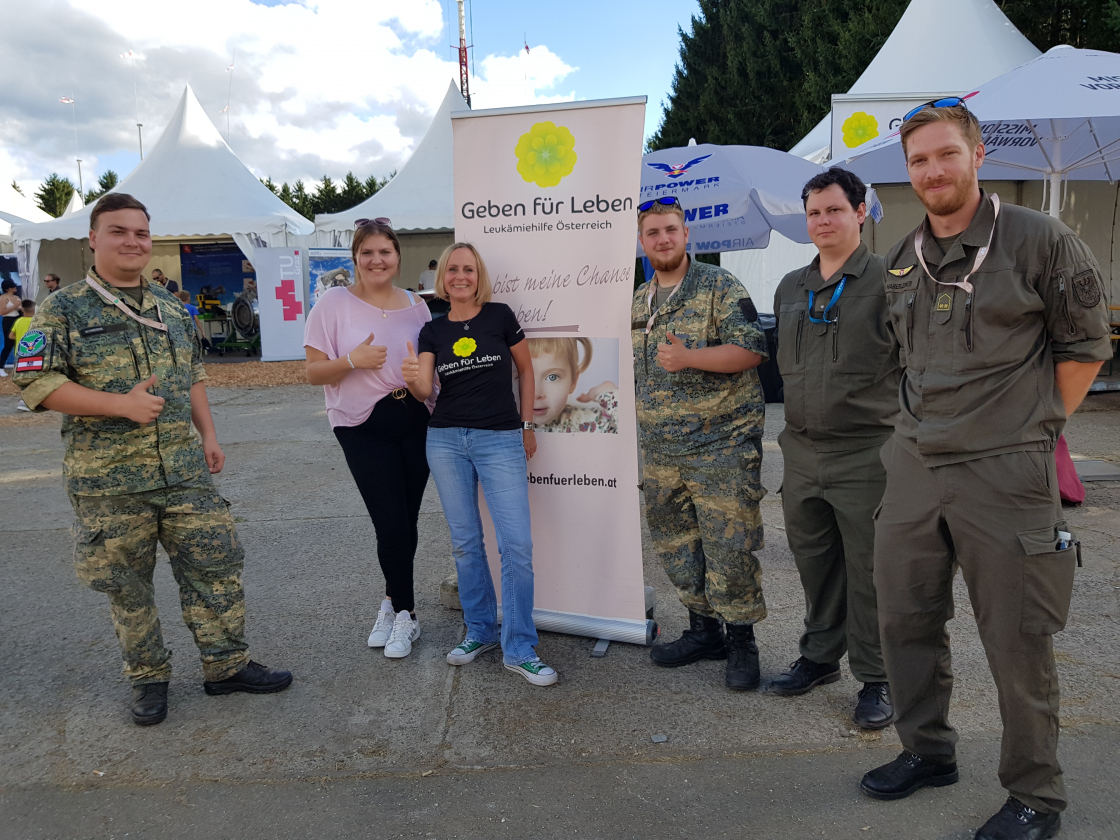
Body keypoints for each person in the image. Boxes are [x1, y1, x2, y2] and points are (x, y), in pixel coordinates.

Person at [859, 101, 1111, 840]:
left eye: (945, 155)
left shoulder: (1038, 239)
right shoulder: (903, 255)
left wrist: (1036, 430)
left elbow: (1086, 347)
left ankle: (1037, 795)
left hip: (1005, 473)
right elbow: (905, 358)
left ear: (976, 156)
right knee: (904, 619)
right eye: (918, 161)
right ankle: (927, 751)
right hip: (912, 468)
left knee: (1016, 637)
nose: (932, 171)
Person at [12, 193, 292, 727]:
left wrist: (208, 434)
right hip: (109, 480)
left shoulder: (169, 308)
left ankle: (225, 665)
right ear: (93, 238)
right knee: (127, 585)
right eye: (119, 232)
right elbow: (36, 383)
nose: (132, 242)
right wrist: (120, 405)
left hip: (183, 470)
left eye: (141, 233)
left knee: (216, 565)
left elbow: (194, 377)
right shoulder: (62, 309)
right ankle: (148, 679)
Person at [770, 168, 897, 729]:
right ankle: (820, 658)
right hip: (800, 452)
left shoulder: (890, 281)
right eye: (814, 213)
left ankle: (878, 676)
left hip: (867, 452)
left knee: (871, 570)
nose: (822, 221)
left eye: (834, 211)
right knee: (815, 563)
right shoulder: (790, 286)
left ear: (861, 212)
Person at [402, 242, 556, 686]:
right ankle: (481, 630)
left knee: (517, 547)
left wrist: (527, 425)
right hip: (446, 440)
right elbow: (425, 391)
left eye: (468, 269)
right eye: (453, 270)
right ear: (443, 278)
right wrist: (413, 379)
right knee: (466, 543)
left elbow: (526, 371)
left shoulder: (500, 316)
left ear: (478, 275)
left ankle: (520, 646)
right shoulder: (432, 330)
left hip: (500, 439)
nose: (460, 276)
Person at [632, 196, 769, 691]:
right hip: (662, 453)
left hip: (720, 449)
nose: (663, 239)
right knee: (678, 548)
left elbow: (753, 350)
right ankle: (702, 631)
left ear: (686, 235)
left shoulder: (718, 286)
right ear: (642, 242)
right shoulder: (639, 297)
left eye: (671, 230)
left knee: (730, 549)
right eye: (653, 233)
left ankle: (741, 642)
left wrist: (691, 357)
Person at [303, 220, 433, 659]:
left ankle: (392, 604)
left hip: (415, 418)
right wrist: (351, 360)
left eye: (385, 252)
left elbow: (428, 369)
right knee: (390, 523)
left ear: (397, 257)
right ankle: (408, 615)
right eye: (368, 253)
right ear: (355, 258)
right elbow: (313, 372)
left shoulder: (418, 306)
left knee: (407, 522)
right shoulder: (332, 304)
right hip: (360, 425)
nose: (377, 260)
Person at [528, 337, 618, 433]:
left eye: (552, 377)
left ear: (573, 381)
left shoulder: (583, 423)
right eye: (522, 378)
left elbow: (630, 429)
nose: (536, 394)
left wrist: (607, 393)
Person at [9, 299, 36, 410]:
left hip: (19, 355)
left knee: (23, 378)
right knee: (32, 378)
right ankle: (27, 401)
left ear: (22, 309)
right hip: (32, 355)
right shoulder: (35, 322)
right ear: (34, 310)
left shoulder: (18, 321)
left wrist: (21, 339)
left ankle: (24, 399)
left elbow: (11, 336)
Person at [0, 278, 21, 375]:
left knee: (20, 343)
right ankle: (1, 366)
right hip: (8, 321)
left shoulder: (17, 297)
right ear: (8, 288)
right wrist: (15, 306)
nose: (15, 287)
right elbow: (2, 312)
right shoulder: (3, 298)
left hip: (18, 319)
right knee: (8, 344)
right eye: (13, 286)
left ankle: (20, 365)